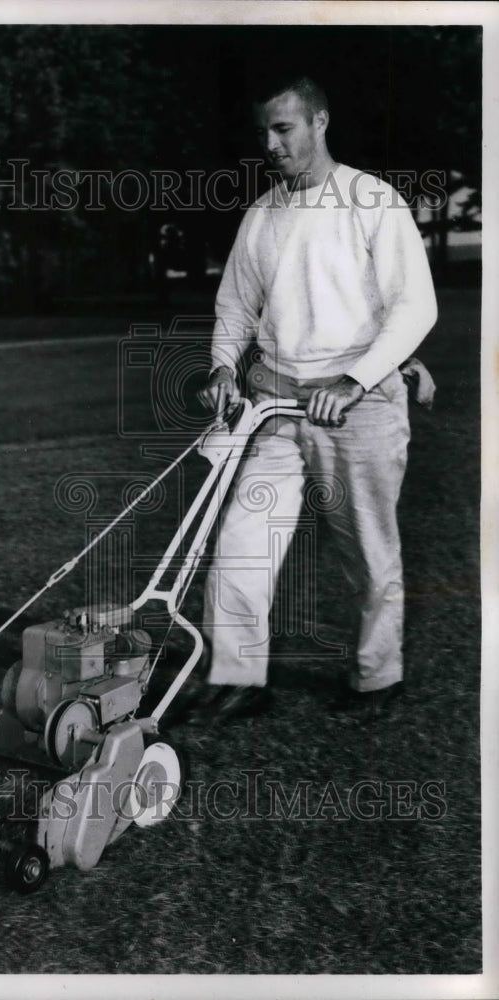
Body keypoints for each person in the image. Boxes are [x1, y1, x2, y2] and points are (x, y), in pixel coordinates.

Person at [196, 74, 437, 723]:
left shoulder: (371, 201)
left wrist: (354, 381)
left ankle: (375, 679)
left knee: (367, 549)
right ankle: (238, 678)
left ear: (319, 122)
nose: (271, 145)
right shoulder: (262, 215)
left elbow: (414, 307)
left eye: (284, 129)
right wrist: (222, 370)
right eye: (262, 133)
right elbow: (234, 308)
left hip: (358, 405)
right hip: (274, 406)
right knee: (242, 542)